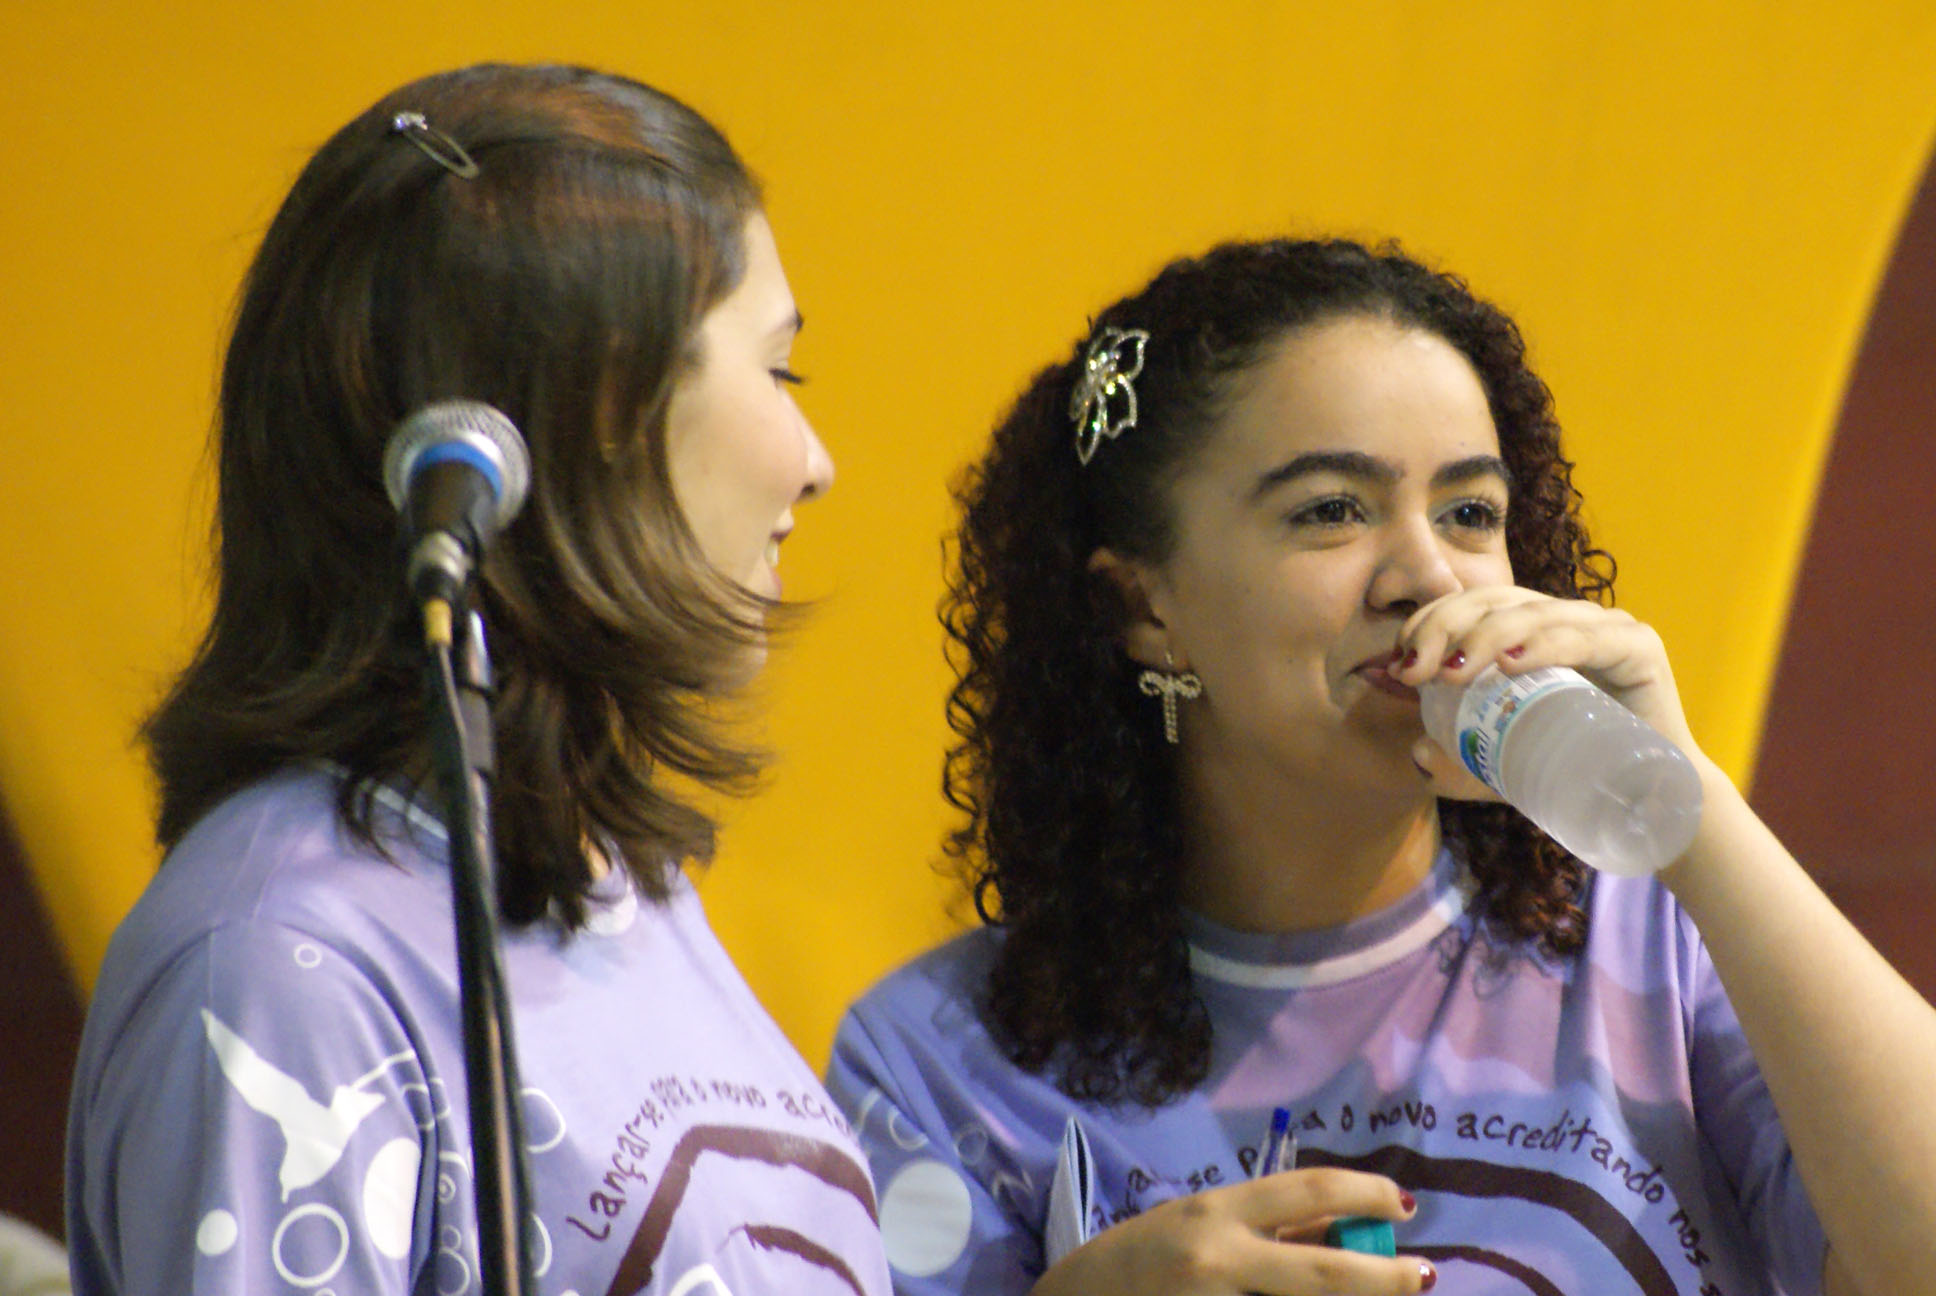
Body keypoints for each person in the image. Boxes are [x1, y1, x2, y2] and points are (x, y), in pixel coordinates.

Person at [826, 237, 1936, 1295]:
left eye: (1470, 512)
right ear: (1141, 609)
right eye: (1331, 511)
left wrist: (1688, 806)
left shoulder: (1662, 934)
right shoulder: (937, 1062)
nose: (1428, 574)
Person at [66, 63, 891, 1296]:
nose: (814, 462)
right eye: (780, 372)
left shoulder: (605, 878)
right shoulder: (280, 960)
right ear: (598, 405)